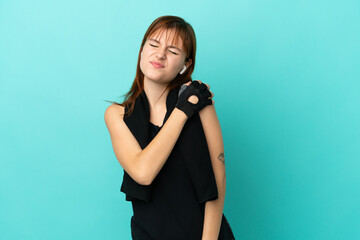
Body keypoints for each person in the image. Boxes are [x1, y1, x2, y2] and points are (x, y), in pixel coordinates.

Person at [104, 15, 234, 239]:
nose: (160, 54)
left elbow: (218, 176)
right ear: (142, 50)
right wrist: (182, 111)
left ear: (186, 64)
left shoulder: (201, 104)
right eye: (153, 45)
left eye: (173, 51)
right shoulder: (117, 115)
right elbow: (143, 173)